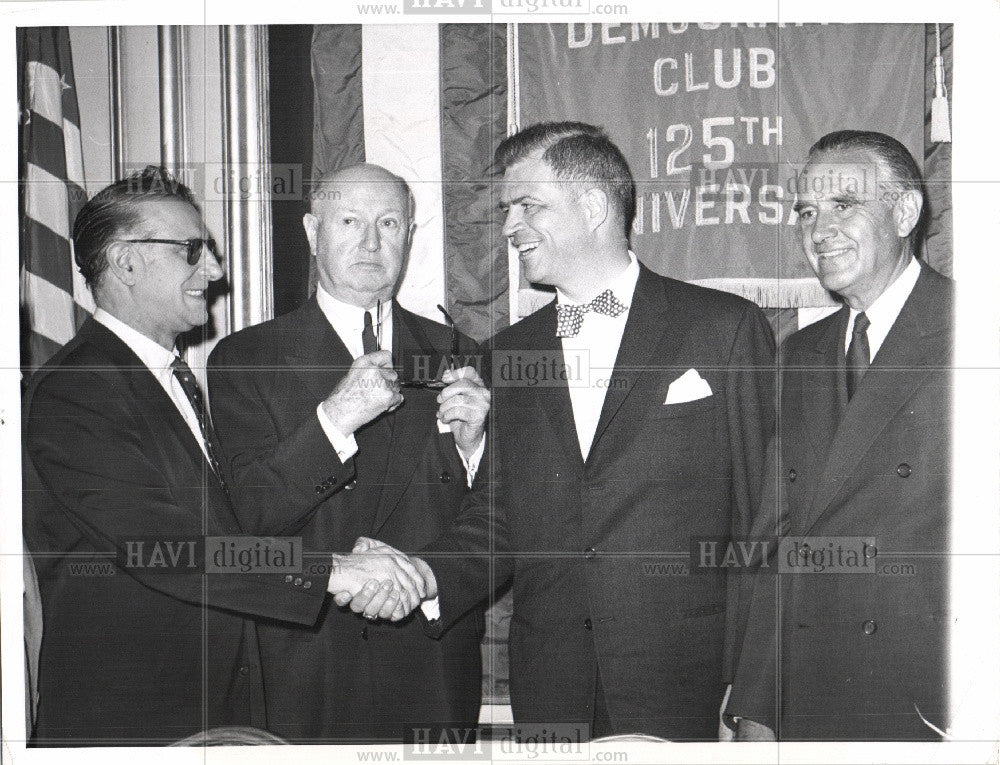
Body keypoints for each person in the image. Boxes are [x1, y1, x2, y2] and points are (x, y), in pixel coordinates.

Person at [352, 122, 776, 740]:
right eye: (507, 210)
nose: (508, 227)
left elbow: (764, 518)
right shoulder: (508, 354)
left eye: (529, 206)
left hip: (691, 688)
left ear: (595, 206)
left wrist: (755, 691)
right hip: (552, 693)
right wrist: (420, 576)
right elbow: (498, 520)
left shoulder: (724, 329)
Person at [21, 166, 414, 745]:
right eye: (192, 251)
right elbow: (167, 546)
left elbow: (229, 523)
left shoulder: (167, 379)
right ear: (127, 263)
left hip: (212, 712)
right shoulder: (77, 390)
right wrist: (335, 569)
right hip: (132, 725)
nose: (215, 269)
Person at [207, 163, 490, 742]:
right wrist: (334, 420)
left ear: (410, 235)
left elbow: (498, 519)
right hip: (305, 668)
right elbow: (248, 516)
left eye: (388, 222)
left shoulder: (457, 353)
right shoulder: (245, 358)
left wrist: (473, 449)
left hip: (430, 663)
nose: (370, 241)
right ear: (312, 232)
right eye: (350, 221)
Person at [729, 130, 954, 740]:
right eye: (806, 211)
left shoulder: (974, 332)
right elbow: (774, 540)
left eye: (843, 205)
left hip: (930, 705)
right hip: (809, 697)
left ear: (905, 211)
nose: (818, 230)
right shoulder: (799, 355)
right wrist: (755, 702)